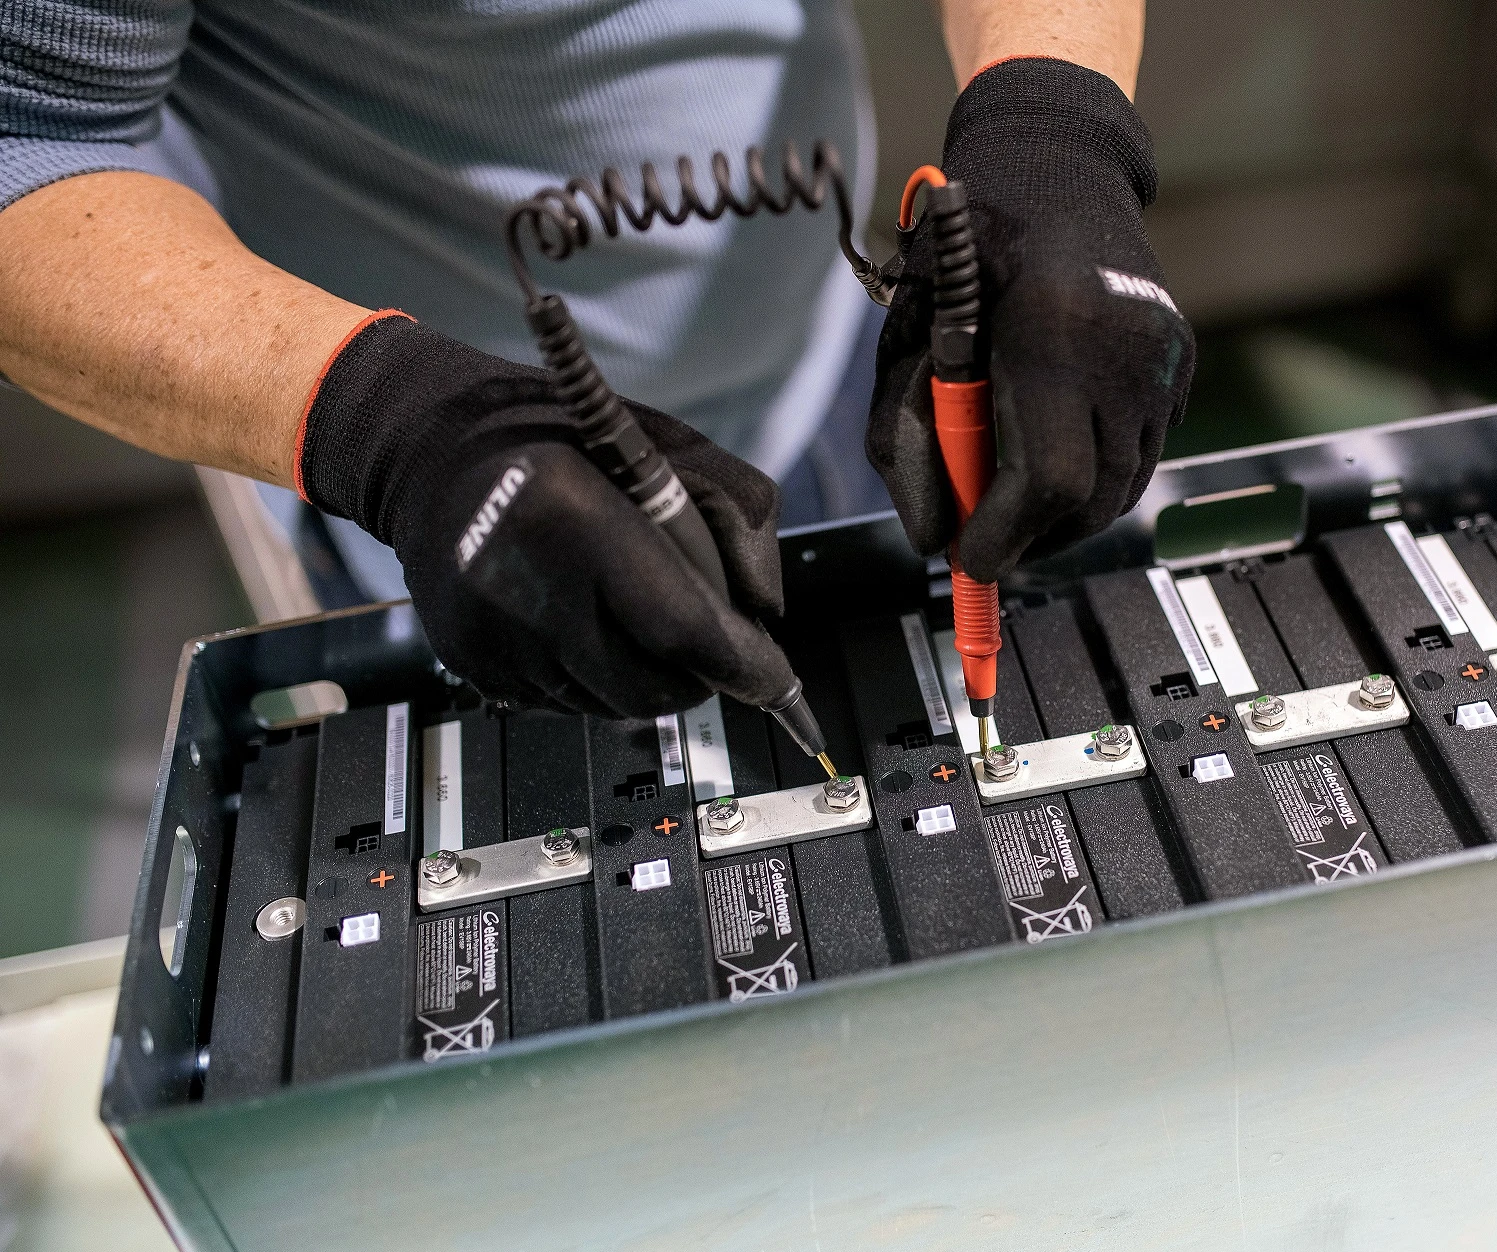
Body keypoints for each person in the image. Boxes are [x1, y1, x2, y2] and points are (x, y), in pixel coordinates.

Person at [0, 0, 1194, 719]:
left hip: (829, 357)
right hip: (483, 507)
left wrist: (1055, 136)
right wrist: (396, 425)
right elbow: (31, 139)